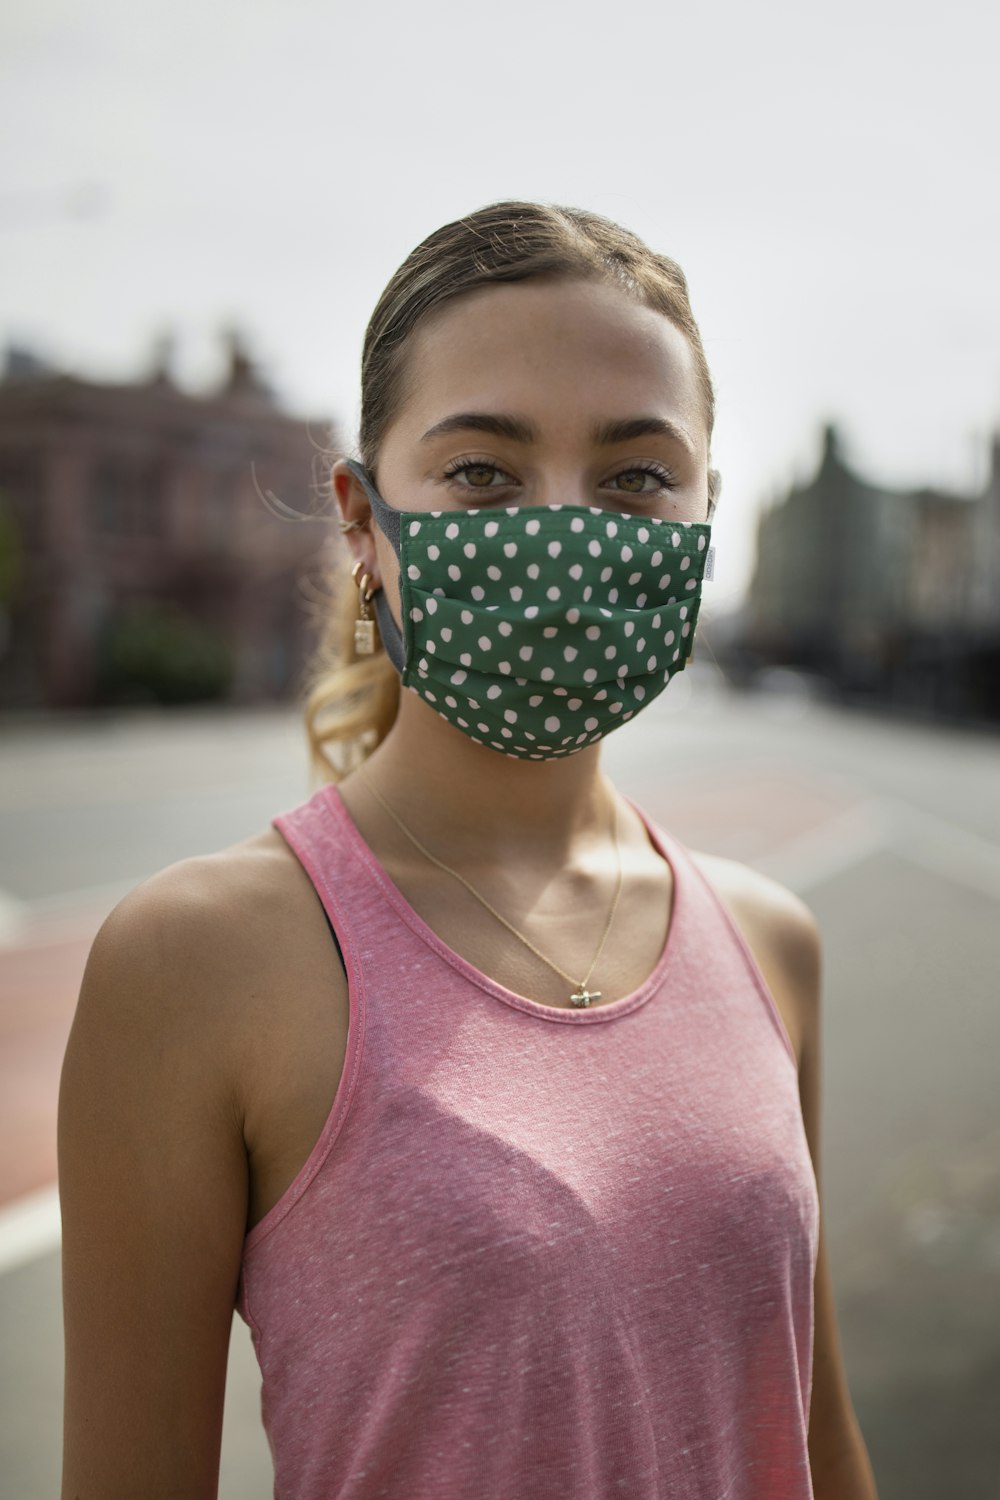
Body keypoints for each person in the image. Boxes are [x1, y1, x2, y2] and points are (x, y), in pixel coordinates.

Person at [58, 201, 878, 1499]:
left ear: (706, 511)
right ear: (360, 519)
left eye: (637, 476)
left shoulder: (774, 943)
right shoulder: (194, 965)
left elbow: (817, 1444)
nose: (561, 530)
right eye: (484, 472)